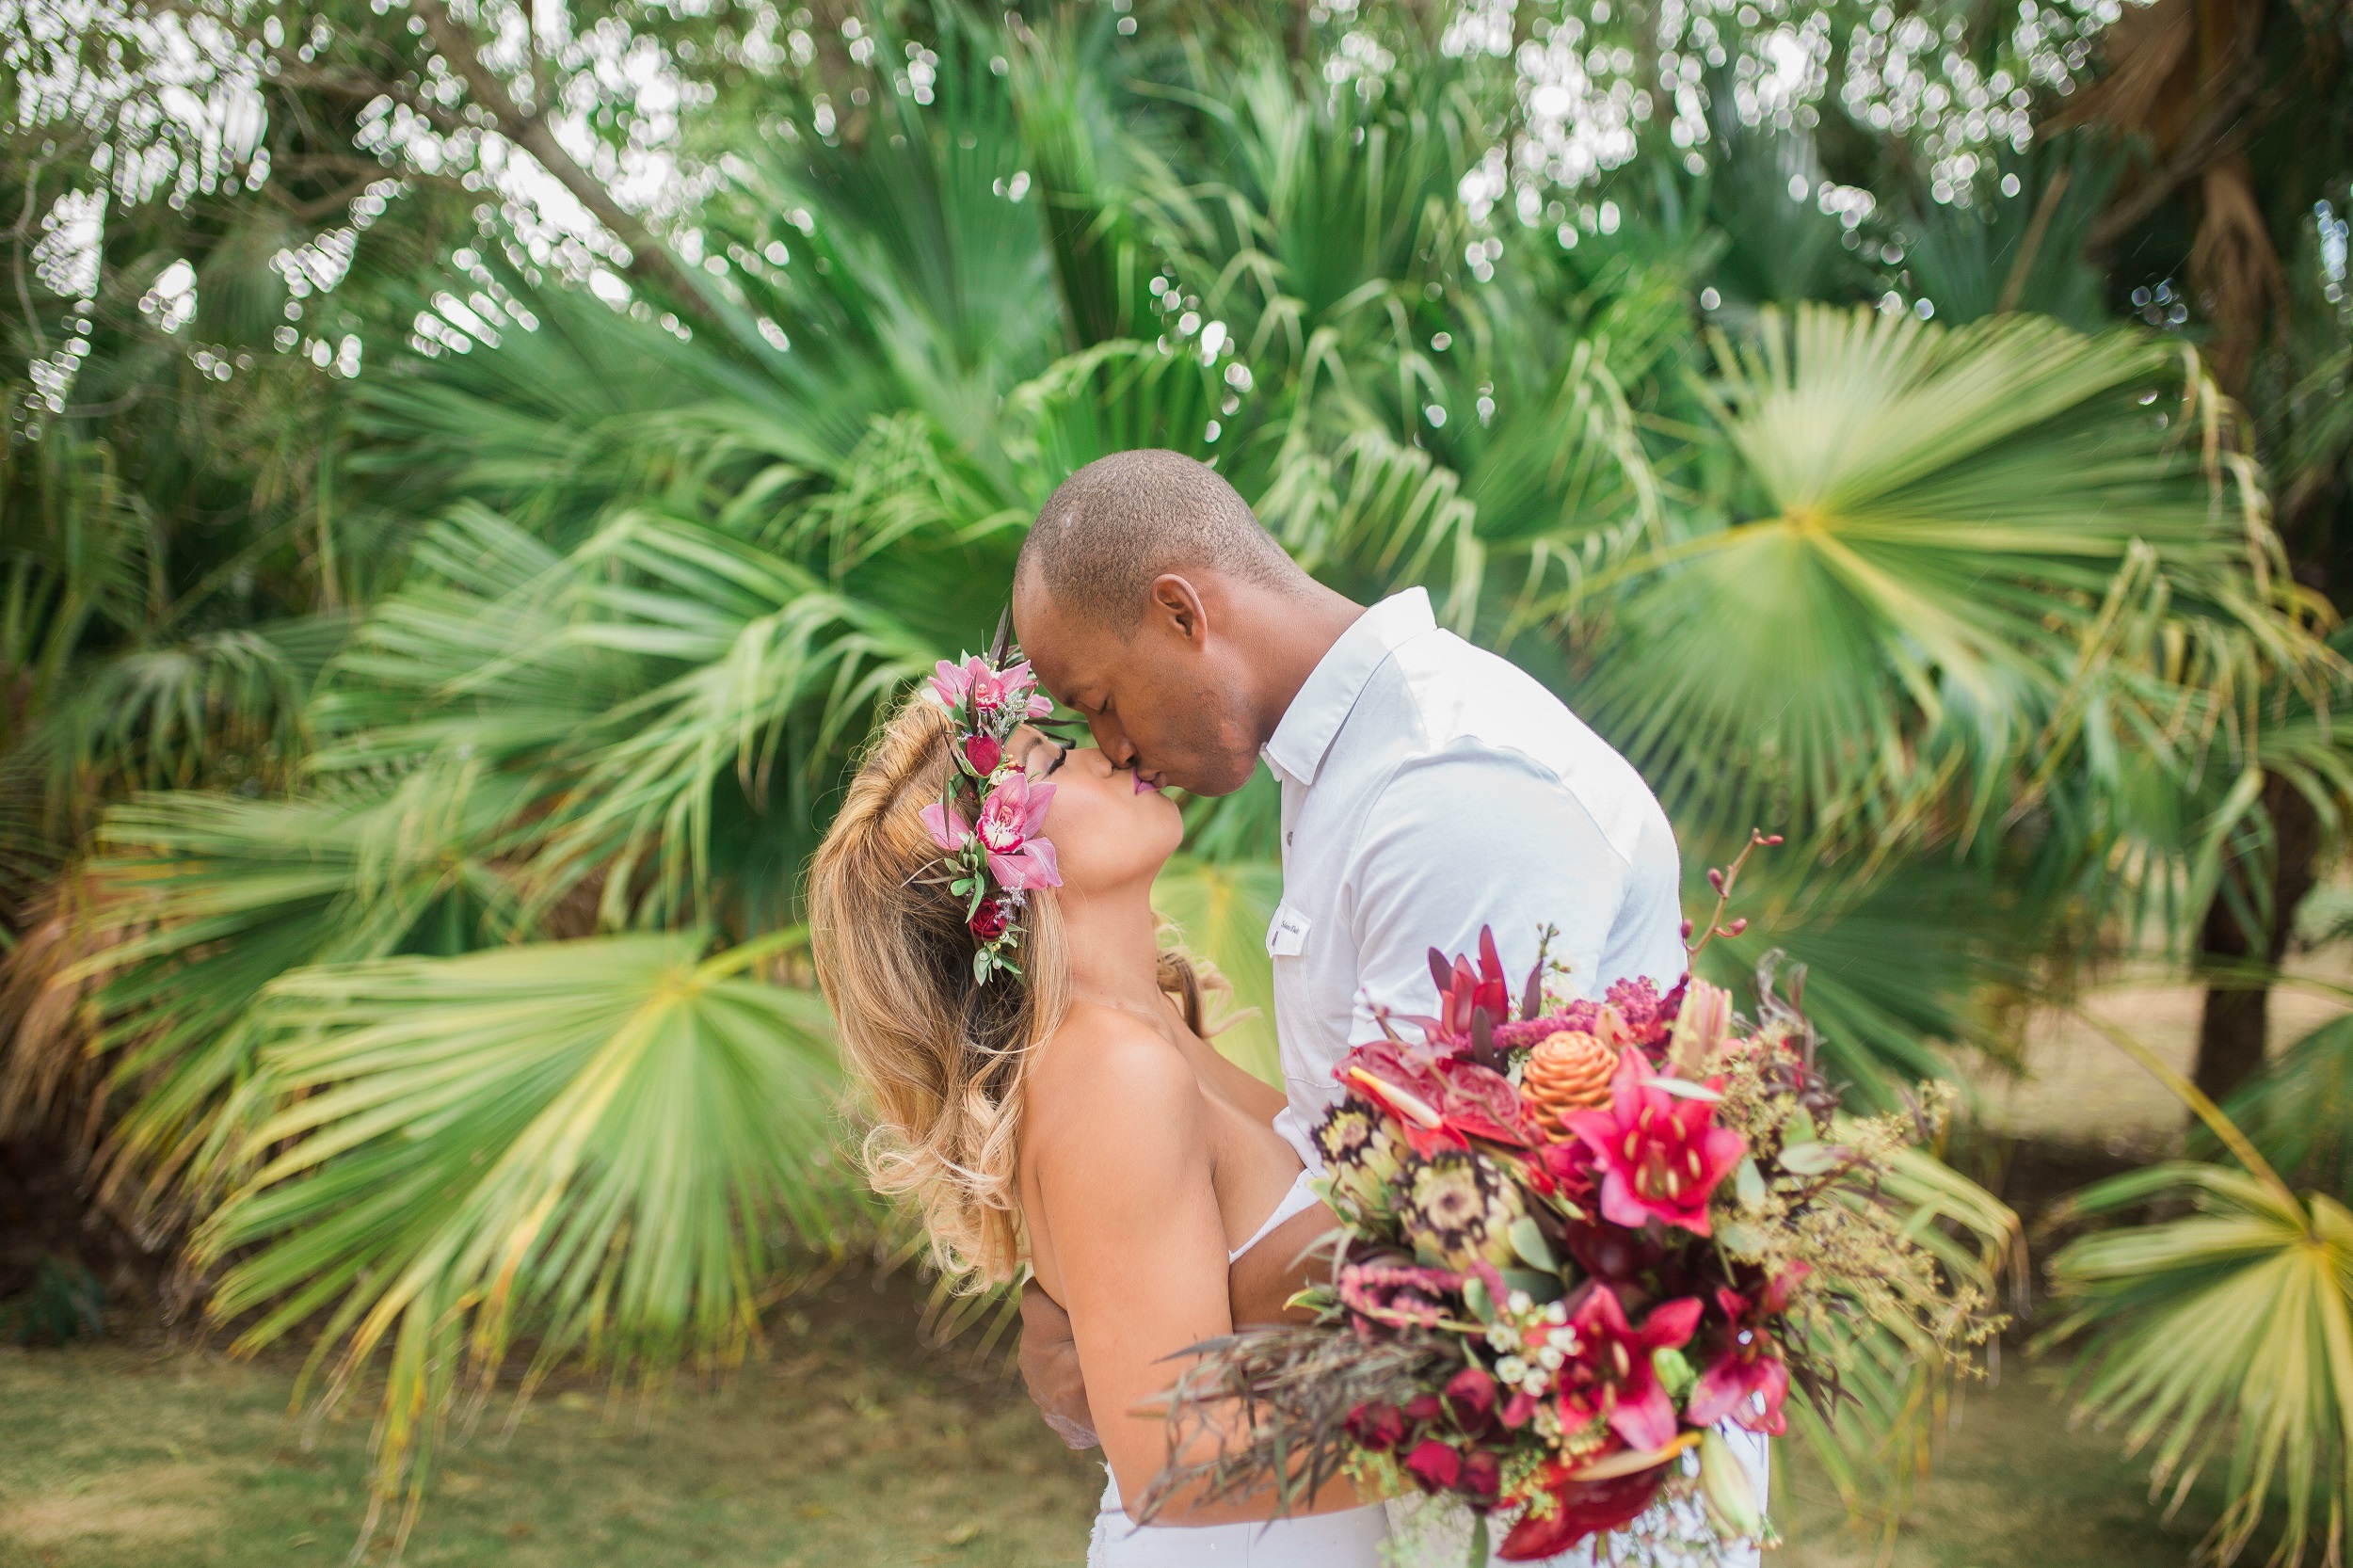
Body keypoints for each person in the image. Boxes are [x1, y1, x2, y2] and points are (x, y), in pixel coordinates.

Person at [1008, 449, 1768, 1563]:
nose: (1113, 745)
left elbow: (1459, 1212)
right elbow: (1356, 1153)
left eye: (1101, 700)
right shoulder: (1347, 772)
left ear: (1180, 611)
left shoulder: (1439, 784)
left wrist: (1130, 1316)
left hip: (1570, 1494)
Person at [808, 672, 1391, 1565]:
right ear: (999, 866)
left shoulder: (1152, 1035)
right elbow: (1172, 1460)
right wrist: (1493, 1422)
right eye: (1053, 754)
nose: (1115, 749)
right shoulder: (1112, 1072)